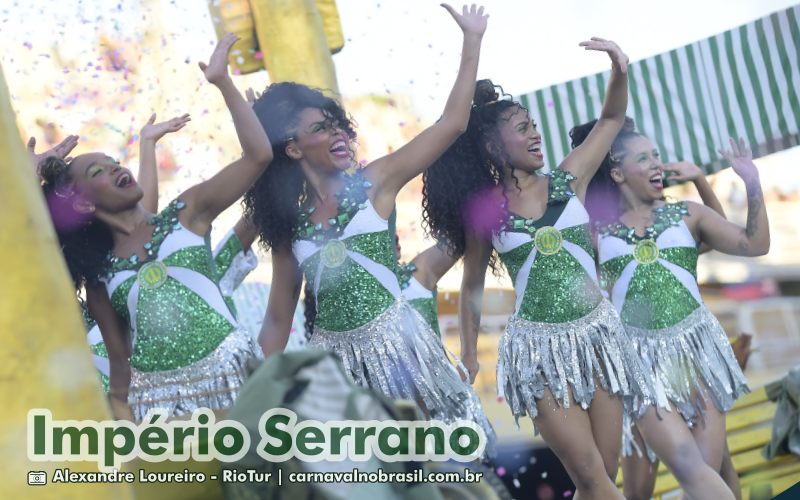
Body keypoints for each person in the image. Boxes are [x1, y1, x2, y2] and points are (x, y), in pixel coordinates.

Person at [244, 4, 495, 447]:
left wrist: (471, 40)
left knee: (431, 465)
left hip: (400, 348)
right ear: (294, 150)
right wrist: (251, 396)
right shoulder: (290, 227)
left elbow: (452, 124)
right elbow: (278, 319)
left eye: (339, 124)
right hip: (336, 368)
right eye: (322, 128)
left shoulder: (375, 181)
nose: (340, 133)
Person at [424, 38, 653, 499]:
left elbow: (609, 120)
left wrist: (619, 69)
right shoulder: (486, 209)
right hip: (539, 353)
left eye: (534, 125)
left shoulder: (571, 178)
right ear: (492, 144)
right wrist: (468, 352)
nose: (536, 134)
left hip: (598, 340)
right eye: (523, 128)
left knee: (602, 474)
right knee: (589, 472)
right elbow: (470, 286)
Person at [39, 33, 274, 421]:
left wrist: (222, 82)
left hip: (236, 383)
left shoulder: (188, 212)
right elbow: (119, 371)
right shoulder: (99, 277)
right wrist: (128, 446)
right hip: (164, 412)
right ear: (83, 202)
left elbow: (258, 156)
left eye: (115, 161)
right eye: (99, 170)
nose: (117, 167)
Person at [583, 120, 768, 499]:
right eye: (643, 158)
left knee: (707, 470)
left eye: (657, 156)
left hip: (698, 356)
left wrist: (750, 180)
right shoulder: (595, 233)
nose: (656, 165)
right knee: (683, 470)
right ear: (617, 172)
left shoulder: (688, 214)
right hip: (640, 363)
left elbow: (755, 243)